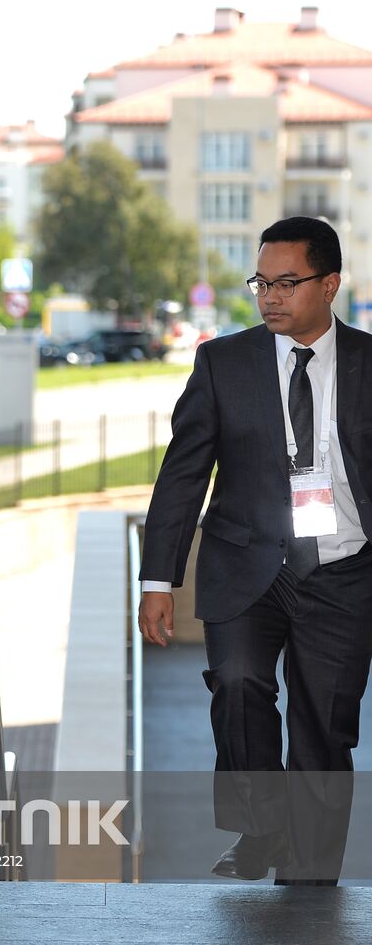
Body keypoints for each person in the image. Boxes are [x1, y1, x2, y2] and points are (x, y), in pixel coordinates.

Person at [139, 216, 372, 885]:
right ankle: (260, 826)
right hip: (246, 564)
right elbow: (182, 475)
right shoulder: (222, 362)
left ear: (327, 284)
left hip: (344, 570)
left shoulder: (366, 363)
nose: (268, 296)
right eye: (260, 282)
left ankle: (309, 876)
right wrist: (156, 579)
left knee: (323, 727)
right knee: (237, 684)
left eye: (286, 282)